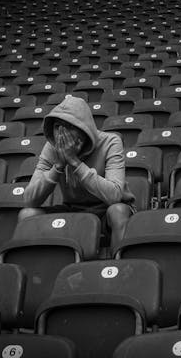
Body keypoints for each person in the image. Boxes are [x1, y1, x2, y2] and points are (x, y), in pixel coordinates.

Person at [19, 95, 135, 246]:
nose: (61, 134)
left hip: (106, 209)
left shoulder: (110, 142)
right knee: (27, 215)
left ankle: (119, 265)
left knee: (118, 211)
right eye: (56, 127)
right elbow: (30, 200)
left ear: (83, 129)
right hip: (73, 209)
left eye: (69, 126)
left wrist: (75, 162)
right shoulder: (53, 147)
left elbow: (114, 195)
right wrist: (59, 165)